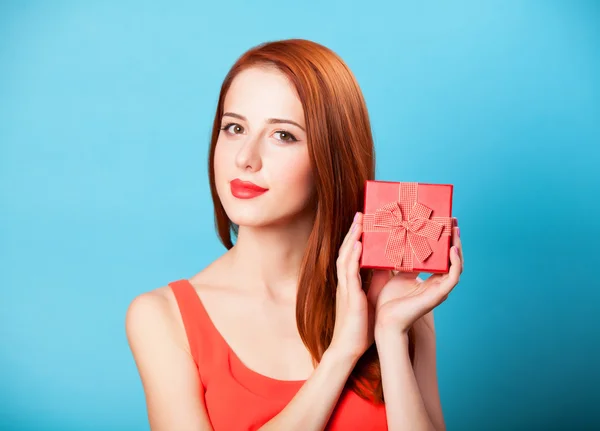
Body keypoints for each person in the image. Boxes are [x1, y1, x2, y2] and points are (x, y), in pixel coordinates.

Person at [125, 38, 464, 431]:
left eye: (282, 135)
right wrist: (341, 354)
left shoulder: (396, 296)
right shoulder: (162, 318)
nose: (245, 158)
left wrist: (389, 334)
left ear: (330, 158)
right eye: (234, 128)